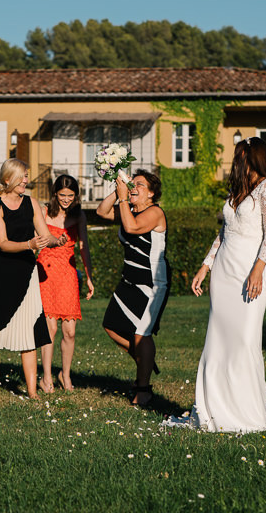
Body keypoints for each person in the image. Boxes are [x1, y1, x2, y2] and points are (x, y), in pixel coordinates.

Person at [163, 137, 266, 433]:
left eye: (242, 158)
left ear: (255, 158)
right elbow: (224, 231)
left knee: (244, 341)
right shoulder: (237, 190)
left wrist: (258, 270)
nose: (237, 163)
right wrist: (205, 266)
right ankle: (213, 409)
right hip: (224, 272)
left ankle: (246, 414)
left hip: (249, 271)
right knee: (218, 343)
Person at [0, 158, 67, 400]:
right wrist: (29, 244)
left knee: (30, 331)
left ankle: (32, 392)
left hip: (25, 272)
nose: (26, 180)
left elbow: (45, 235)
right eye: (23, 176)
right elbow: (2, 243)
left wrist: (57, 241)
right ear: (7, 179)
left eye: (26, 175)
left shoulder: (31, 203)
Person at [96, 169, 169, 406]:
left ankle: (143, 388)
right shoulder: (129, 209)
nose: (134, 187)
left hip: (152, 283)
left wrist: (124, 197)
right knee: (111, 326)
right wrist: (119, 191)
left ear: (152, 193)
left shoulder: (154, 212)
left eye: (140, 185)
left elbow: (133, 228)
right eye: (132, 183)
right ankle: (144, 358)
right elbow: (101, 212)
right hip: (128, 281)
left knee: (141, 333)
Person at [37, 174, 94, 393]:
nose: (66, 199)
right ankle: (46, 377)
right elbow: (36, 240)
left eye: (71, 195)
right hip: (47, 271)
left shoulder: (79, 216)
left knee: (69, 331)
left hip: (69, 274)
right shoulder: (43, 212)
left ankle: (65, 374)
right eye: (62, 195)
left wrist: (89, 276)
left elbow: (84, 247)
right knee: (50, 329)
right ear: (54, 194)